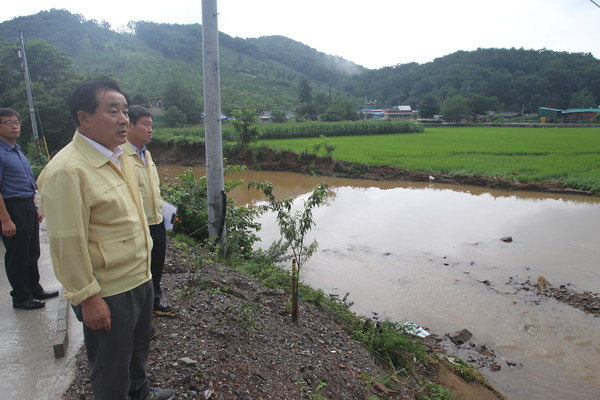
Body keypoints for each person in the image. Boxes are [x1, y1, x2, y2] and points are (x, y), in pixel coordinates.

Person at [37, 78, 174, 400]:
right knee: (111, 367)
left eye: (125, 110)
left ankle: (140, 393)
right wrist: (87, 297)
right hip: (109, 290)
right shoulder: (68, 171)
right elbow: (66, 244)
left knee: (137, 351)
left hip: (139, 276)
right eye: (113, 111)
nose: (124, 119)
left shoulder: (119, 156)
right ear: (84, 118)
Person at [0, 108, 58, 310]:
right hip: (10, 207)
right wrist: (5, 219)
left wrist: (34, 209)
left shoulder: (16, 150)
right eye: (8, 122)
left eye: (16, 122)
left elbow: (26, 184)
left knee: (32, 251)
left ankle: (34, 288)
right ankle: (21, 296)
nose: (15, 126)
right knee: (17, 254)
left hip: (26, 204)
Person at [123, 105, 174, 317]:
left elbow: (154, 189)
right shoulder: (122, 156)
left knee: (156, 264)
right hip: (138, 224)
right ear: (129, 125)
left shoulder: (147, 154)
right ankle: (141, 314)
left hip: (157, 220)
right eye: (145, 124)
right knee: (139, 270)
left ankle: (154, 301)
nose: (150, 129)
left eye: (151, 125)